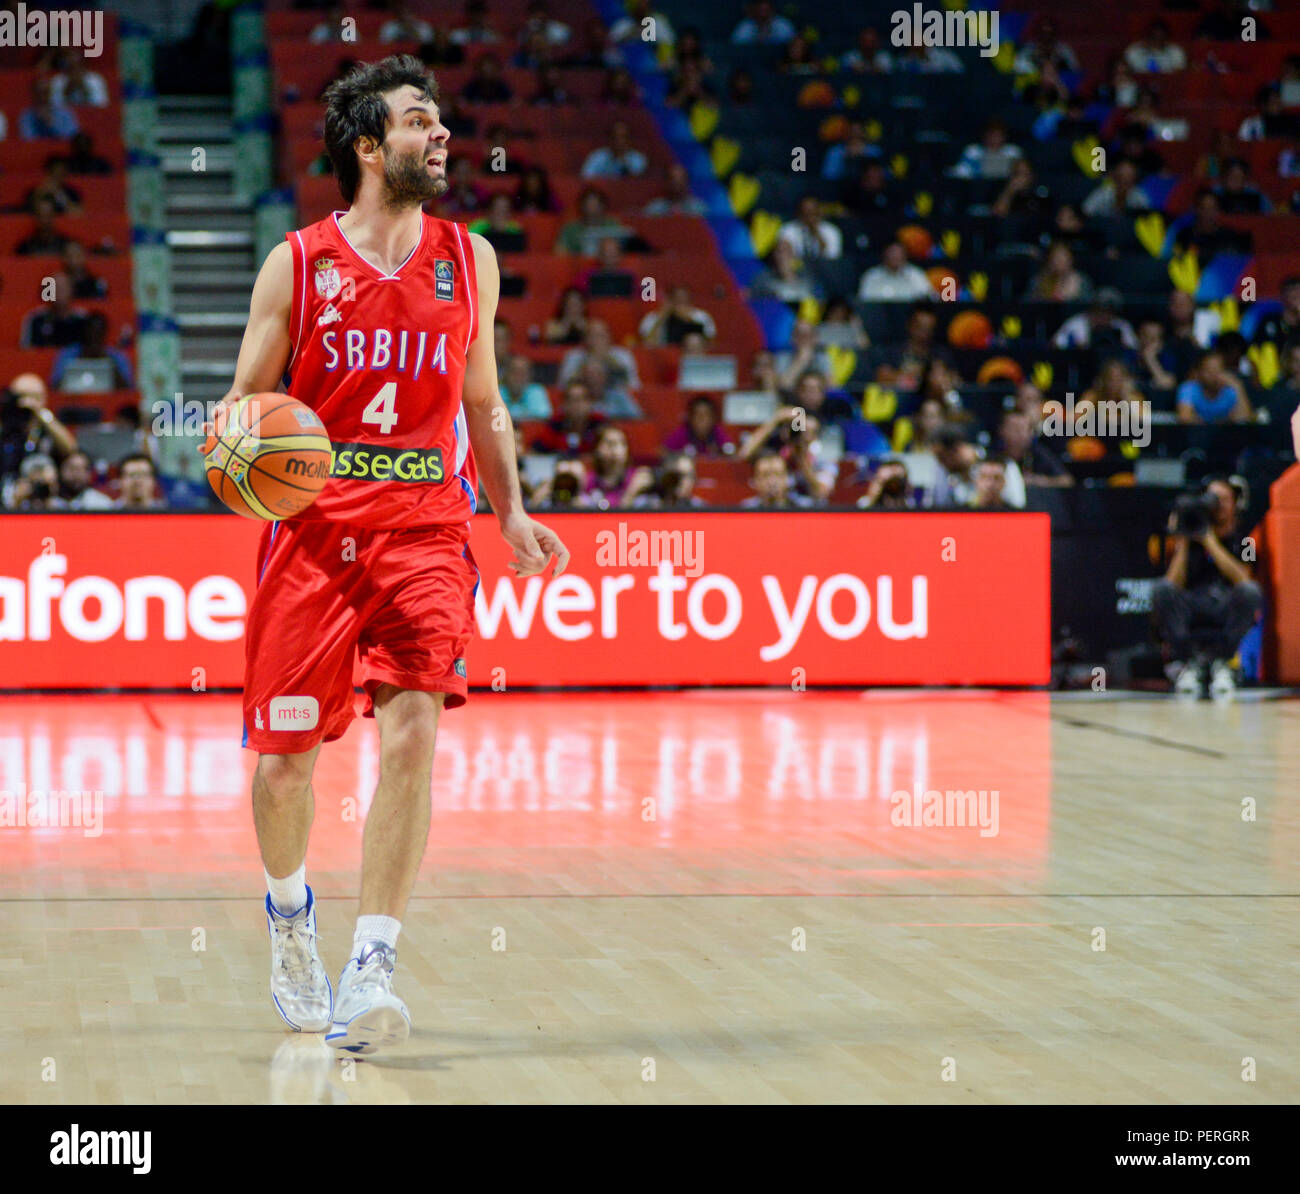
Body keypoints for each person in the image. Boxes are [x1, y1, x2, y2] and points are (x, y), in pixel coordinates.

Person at [198, 56, 568, 1056]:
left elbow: (483, 402)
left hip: (425, 527)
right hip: (314, 533)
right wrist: (235, 449)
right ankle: (289, 917)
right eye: (417, 121)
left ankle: (374, 959)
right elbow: (244, 404)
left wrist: (511, 512)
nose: (440, 134)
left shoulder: (469, 258)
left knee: (413, 727)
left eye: (441, 120)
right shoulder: (299, 263)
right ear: (368, 147)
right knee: (283, 768)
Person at [1154, 477, 1261, 697]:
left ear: (1234, 504)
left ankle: (1222, 662)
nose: (1218, 505)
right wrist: (1183, 542)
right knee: (1161, 590)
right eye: (1212, 499)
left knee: (1250, 591)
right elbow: (1172, 583)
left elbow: (1245, 579)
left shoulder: (1245, 540)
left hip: (1225, 604)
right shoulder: (1190, 536)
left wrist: (1210, 541)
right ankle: (1187, 663)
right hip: (1192, 603)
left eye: (1223, 499)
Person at [1176, 350, 1252, 424]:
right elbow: (1185, 419)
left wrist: (1237, 386)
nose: (1214, 375)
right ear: (1199, 373)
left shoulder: (1231, 391)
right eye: (1209, 370)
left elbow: (1244, 420)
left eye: (1218, 370)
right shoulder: (1189, 388)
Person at [857, 241, 936, 302]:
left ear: (905, 256)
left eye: (898, 254)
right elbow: (863, 302)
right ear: (884, 255)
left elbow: (931, 298)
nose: (895, 257)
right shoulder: (871, 276)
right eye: (892, 253)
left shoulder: (916, 275)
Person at [637, 285, 716, 346]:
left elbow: (710, 343)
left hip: (692, 359)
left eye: (683, 301)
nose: (680, 306)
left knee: (693, 340)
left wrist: (687, 319)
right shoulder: (652, 318)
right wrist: (661, 319)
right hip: (664, 357)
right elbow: (647, 344)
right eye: (677, 301)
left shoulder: (701, 316)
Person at [662, 395, 734, 457]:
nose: (702, 419)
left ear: (714, 418)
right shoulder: (683, 432)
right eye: (698, 415)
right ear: (690, 417)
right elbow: (663, 452)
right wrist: (679, 455)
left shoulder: (718, 432)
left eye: (706, 415)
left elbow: (730, 451)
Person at [740, 451, 812, 508]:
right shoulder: (746, 510)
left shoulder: (805, 508)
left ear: (786, 478)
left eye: (777, 474)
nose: (772, 481)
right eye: (765, 475)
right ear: (756, 480)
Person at [579, 119, 648, 179]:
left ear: (629, 140)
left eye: (623, 137)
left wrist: (624, 162)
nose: (620, 141)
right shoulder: (597, 157)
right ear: (609, 139)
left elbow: (638, 184)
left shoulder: (638, 159)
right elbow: (585, 179)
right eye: (615, 137)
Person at [498, 354, 552, 420]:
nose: (518, 377)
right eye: (514, 372)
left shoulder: (537, 391)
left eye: (522, 373)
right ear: (506, 374)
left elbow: (543, 418)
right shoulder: (497, 392)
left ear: (530, 376)